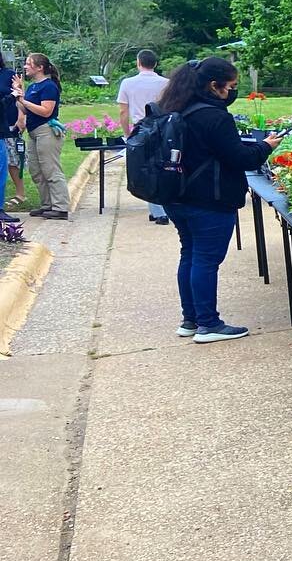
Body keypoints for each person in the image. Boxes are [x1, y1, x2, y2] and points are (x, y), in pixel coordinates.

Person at [156, 57, 281, 343]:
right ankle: (208, 324)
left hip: (176, 195)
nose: (232, 92)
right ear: (215, 85)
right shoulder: (214, 115)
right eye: (231, 86)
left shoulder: (174, 108)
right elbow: (239, 158)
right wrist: (266, 146)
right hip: (208, 199)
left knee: (190, 254)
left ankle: (191, 319)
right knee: (206, 259)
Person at [116, 49, 171, 224]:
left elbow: (123, 111)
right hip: (163, 126)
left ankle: (159, 210)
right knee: (161, 165)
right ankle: (157, 209)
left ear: (138, 62)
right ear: (155, 64)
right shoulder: (166, 83)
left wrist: (127, 133)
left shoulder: (128, 83)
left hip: (141, 128)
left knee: (146, 167)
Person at [11, 53, 67, 220]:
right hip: (34, 132)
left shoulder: (48, 87)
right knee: (36, 170)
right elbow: (26, 109)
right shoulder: (33, 87)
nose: (26, 66)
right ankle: (47, 204)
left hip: (46, 131)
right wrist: (19, 93)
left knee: (51, 168)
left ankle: (61, 207)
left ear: (40, 67)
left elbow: (46, 111)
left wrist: (24, 100)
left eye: (29, 64)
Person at [0, 50, 21, 224]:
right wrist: (12, 96)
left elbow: (20, 93)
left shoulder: (8, 75)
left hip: (5, 126)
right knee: (1, 169)